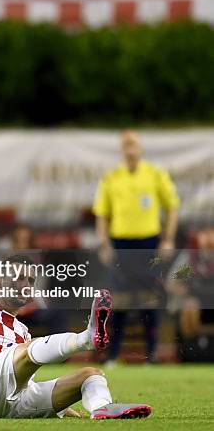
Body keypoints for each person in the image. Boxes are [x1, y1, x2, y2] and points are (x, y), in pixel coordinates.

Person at [0, 256, 152, 420]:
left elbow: (22, 380)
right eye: (18, 277)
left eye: (30, 280)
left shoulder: (23, 330)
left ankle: (101, 408)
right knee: (26, 351)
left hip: (14, 401)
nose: (25, 284)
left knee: (91, 374)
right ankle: (86, 338)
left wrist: (64, 409)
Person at [93, 130, 180, 364]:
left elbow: (172, 206)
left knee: (149, 299)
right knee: (119, 301)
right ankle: (112, 356)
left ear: (140, 147)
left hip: (149, 244)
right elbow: (101, 214)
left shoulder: (154, 174)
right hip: (121, 245)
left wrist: (168, 239)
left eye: (133, 143)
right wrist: (104, 244)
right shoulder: (111, 177)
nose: (130, 147)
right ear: (121, 149)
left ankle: (151, 355)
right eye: (126, 143)